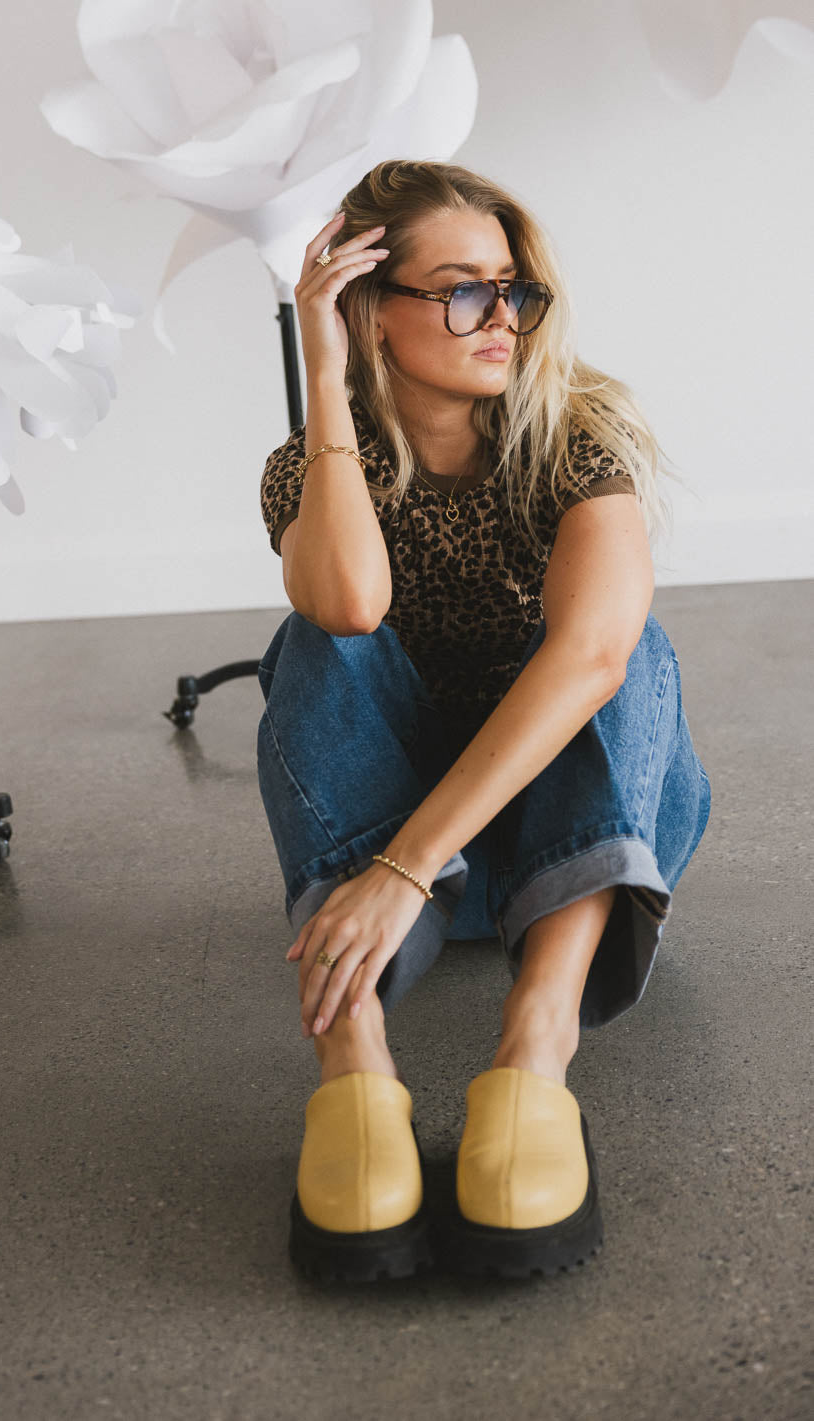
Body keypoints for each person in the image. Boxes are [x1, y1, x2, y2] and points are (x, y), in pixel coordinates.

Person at [256, 160, 711, 1284]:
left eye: (512, 289)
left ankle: (535, 1045)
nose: (502, 317)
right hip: (398, 858)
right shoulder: (310, 468)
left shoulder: (577, 436)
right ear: (371, 306)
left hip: (568, 846)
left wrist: (405, 866)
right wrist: (323, 367)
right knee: (311, 638)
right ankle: (354, 1057)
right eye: (463, 289)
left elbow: (593, 657)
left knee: (627, 648)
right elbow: (347, 605)